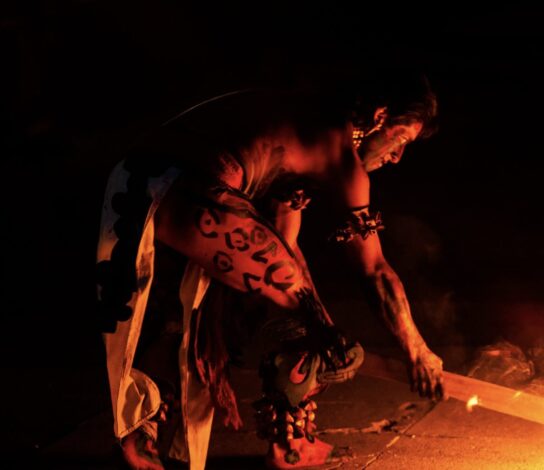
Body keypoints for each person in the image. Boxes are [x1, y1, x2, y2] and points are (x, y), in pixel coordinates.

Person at [95, 74, 444, 470]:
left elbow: (284, 244)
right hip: (183, 187)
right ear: (380, 117)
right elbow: (374, 270)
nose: (397, 157)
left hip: (137, 180)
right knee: (317, 333)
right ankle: (289, 447)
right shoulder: (338, 149)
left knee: (189, 319)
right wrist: (417, 350)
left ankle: (141, 439)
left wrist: (321, 324)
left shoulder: (301, 130)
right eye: (401, 139)